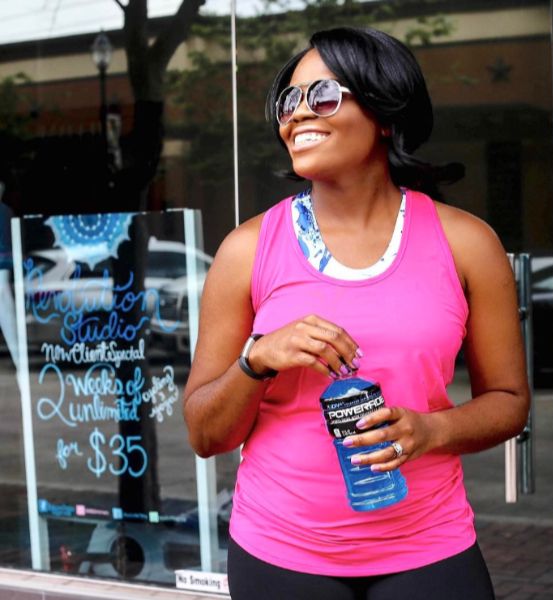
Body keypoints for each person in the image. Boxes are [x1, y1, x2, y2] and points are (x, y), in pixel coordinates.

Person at [184, 26, 530, 600]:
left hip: (428, 544)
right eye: (288, 102)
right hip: (281, 551)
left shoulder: (466, 243)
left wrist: (432, 429)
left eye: (321, 96)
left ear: (386, 113)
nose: (296, 115)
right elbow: (203, 431)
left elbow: (510, 404)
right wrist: (258, 359)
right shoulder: (247, 251)